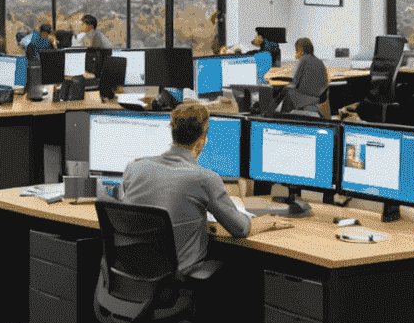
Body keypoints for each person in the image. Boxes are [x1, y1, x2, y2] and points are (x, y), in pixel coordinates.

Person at [119, 101, 291, 275]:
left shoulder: (134, 167)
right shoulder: (204, 178)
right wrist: (269, 220)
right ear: (202, 140)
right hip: (175, 279)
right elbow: (240, 229)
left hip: (128, 273)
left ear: (173, 133)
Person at [280, 37, 329, 114]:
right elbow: (325, 82)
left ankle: (282, 116)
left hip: (305, 97)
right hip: (318, 97)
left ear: (300, 49)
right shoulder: (320, 61)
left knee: (286, 91)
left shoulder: (303, 59)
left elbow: (294, 83)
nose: (296, 52)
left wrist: (282, 87)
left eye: (296, 49)